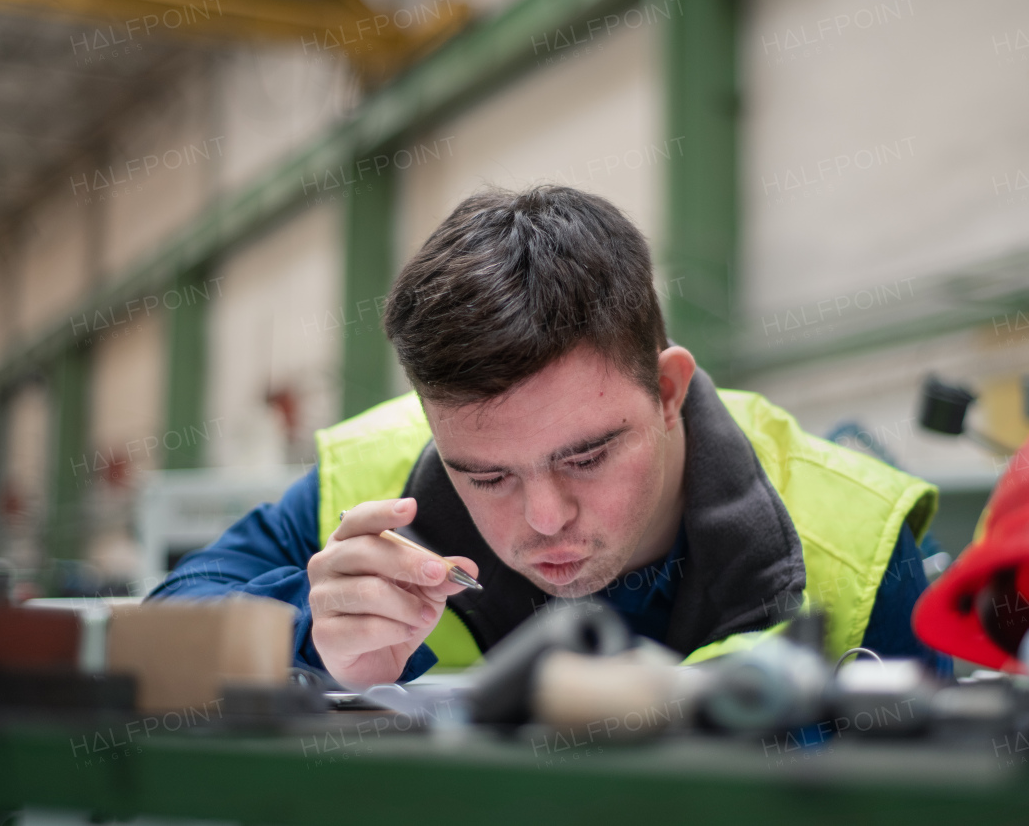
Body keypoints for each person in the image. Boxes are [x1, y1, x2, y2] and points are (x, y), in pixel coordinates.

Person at [149, 185, 949, 688]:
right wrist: (315, 632)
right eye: (485, 475)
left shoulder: (856, 545)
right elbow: (161, 633)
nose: (542, 518)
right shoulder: (373, 478)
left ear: (667, 389)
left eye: (588, 455)